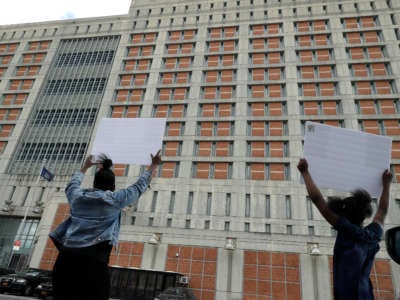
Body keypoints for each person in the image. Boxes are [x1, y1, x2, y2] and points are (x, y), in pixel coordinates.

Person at [50, 151, 162, 300]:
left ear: (94, 183)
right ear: (112, 186)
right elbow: (138, 187)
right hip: (93, 262)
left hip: (65, 260)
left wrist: (85, 167)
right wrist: (153, 165)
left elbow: (72, 185)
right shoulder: (114, 200)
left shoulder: (77, 197)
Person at [297, 158, 392, 300]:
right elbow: (382, 210)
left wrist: (305, 172)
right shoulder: (372, 235)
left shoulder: (346, 230)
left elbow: (318, 200)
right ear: (364, 214)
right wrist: (386, 184)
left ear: (343, 214)